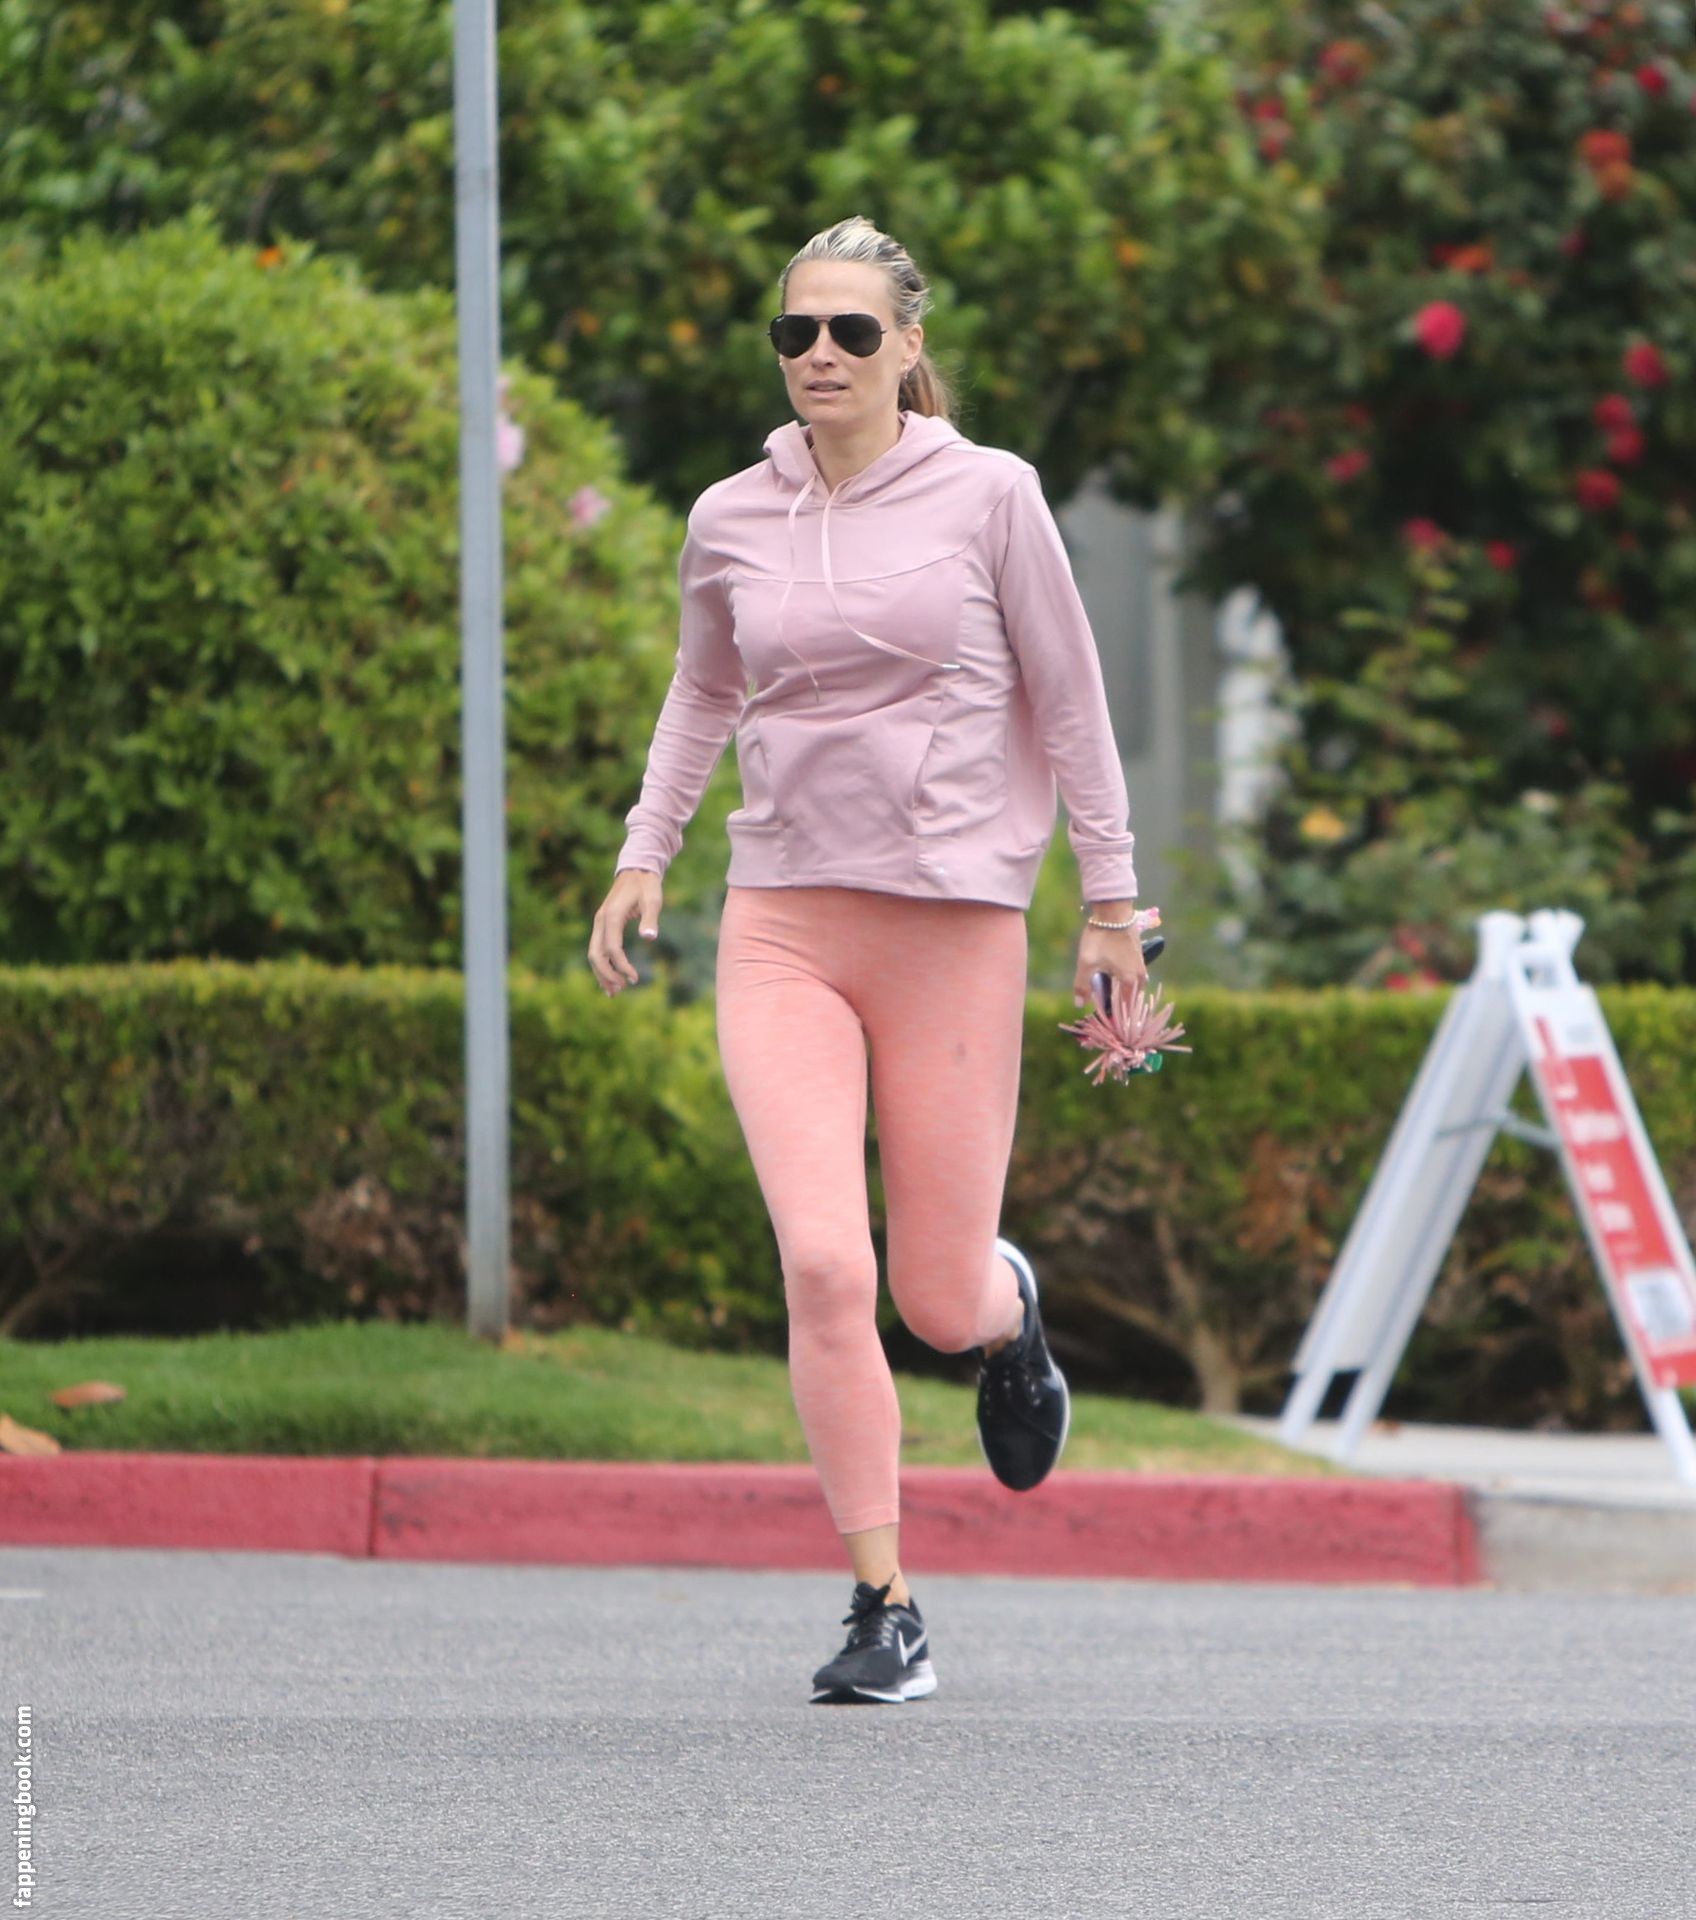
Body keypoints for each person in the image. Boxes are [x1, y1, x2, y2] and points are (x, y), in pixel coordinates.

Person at [587, 213, 1147, 1706]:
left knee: (933, 1301)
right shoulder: (730, 515)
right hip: (783, 920)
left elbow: (1073, 700)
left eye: (851, 331)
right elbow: (701, 693)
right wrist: (646, 852)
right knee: (828, 1267)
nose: (820, 355)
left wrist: (1112, 901)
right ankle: (883, 1603)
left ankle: (1008, 1316)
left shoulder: (991, 495)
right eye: (797, 333)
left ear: (906, 347)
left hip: (952, 925)